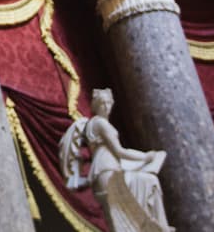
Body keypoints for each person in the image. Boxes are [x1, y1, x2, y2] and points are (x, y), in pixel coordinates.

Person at [59, 88, 172, 232]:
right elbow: (120, 151)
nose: (106, 107)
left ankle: (157, 226)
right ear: (96, 105)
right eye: (102, 103)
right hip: (107, 170)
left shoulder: (95, 123)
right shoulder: (100, 123)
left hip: (110, 169)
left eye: (108, 103)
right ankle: (158, 227)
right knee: (149, 181)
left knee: (149, 182)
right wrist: (147, 157)